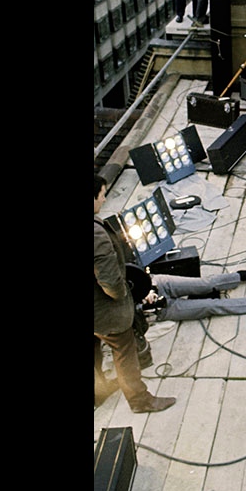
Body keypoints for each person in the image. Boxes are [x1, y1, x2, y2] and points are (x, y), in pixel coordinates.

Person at [94, 173, 176, 413]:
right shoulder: (97, 236)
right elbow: (110, 281)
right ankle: (140, 400)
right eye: (101, 195)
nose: (105, 198)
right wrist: (123, 297)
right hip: (103, 310)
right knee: (124, 351)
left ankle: (97, 393)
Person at [137, 268, 246, 320]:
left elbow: (135, 271)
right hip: (158, 310)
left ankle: (241, 275)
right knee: (209, 307)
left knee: (205, 284)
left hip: (157, 284)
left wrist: (149, 289)